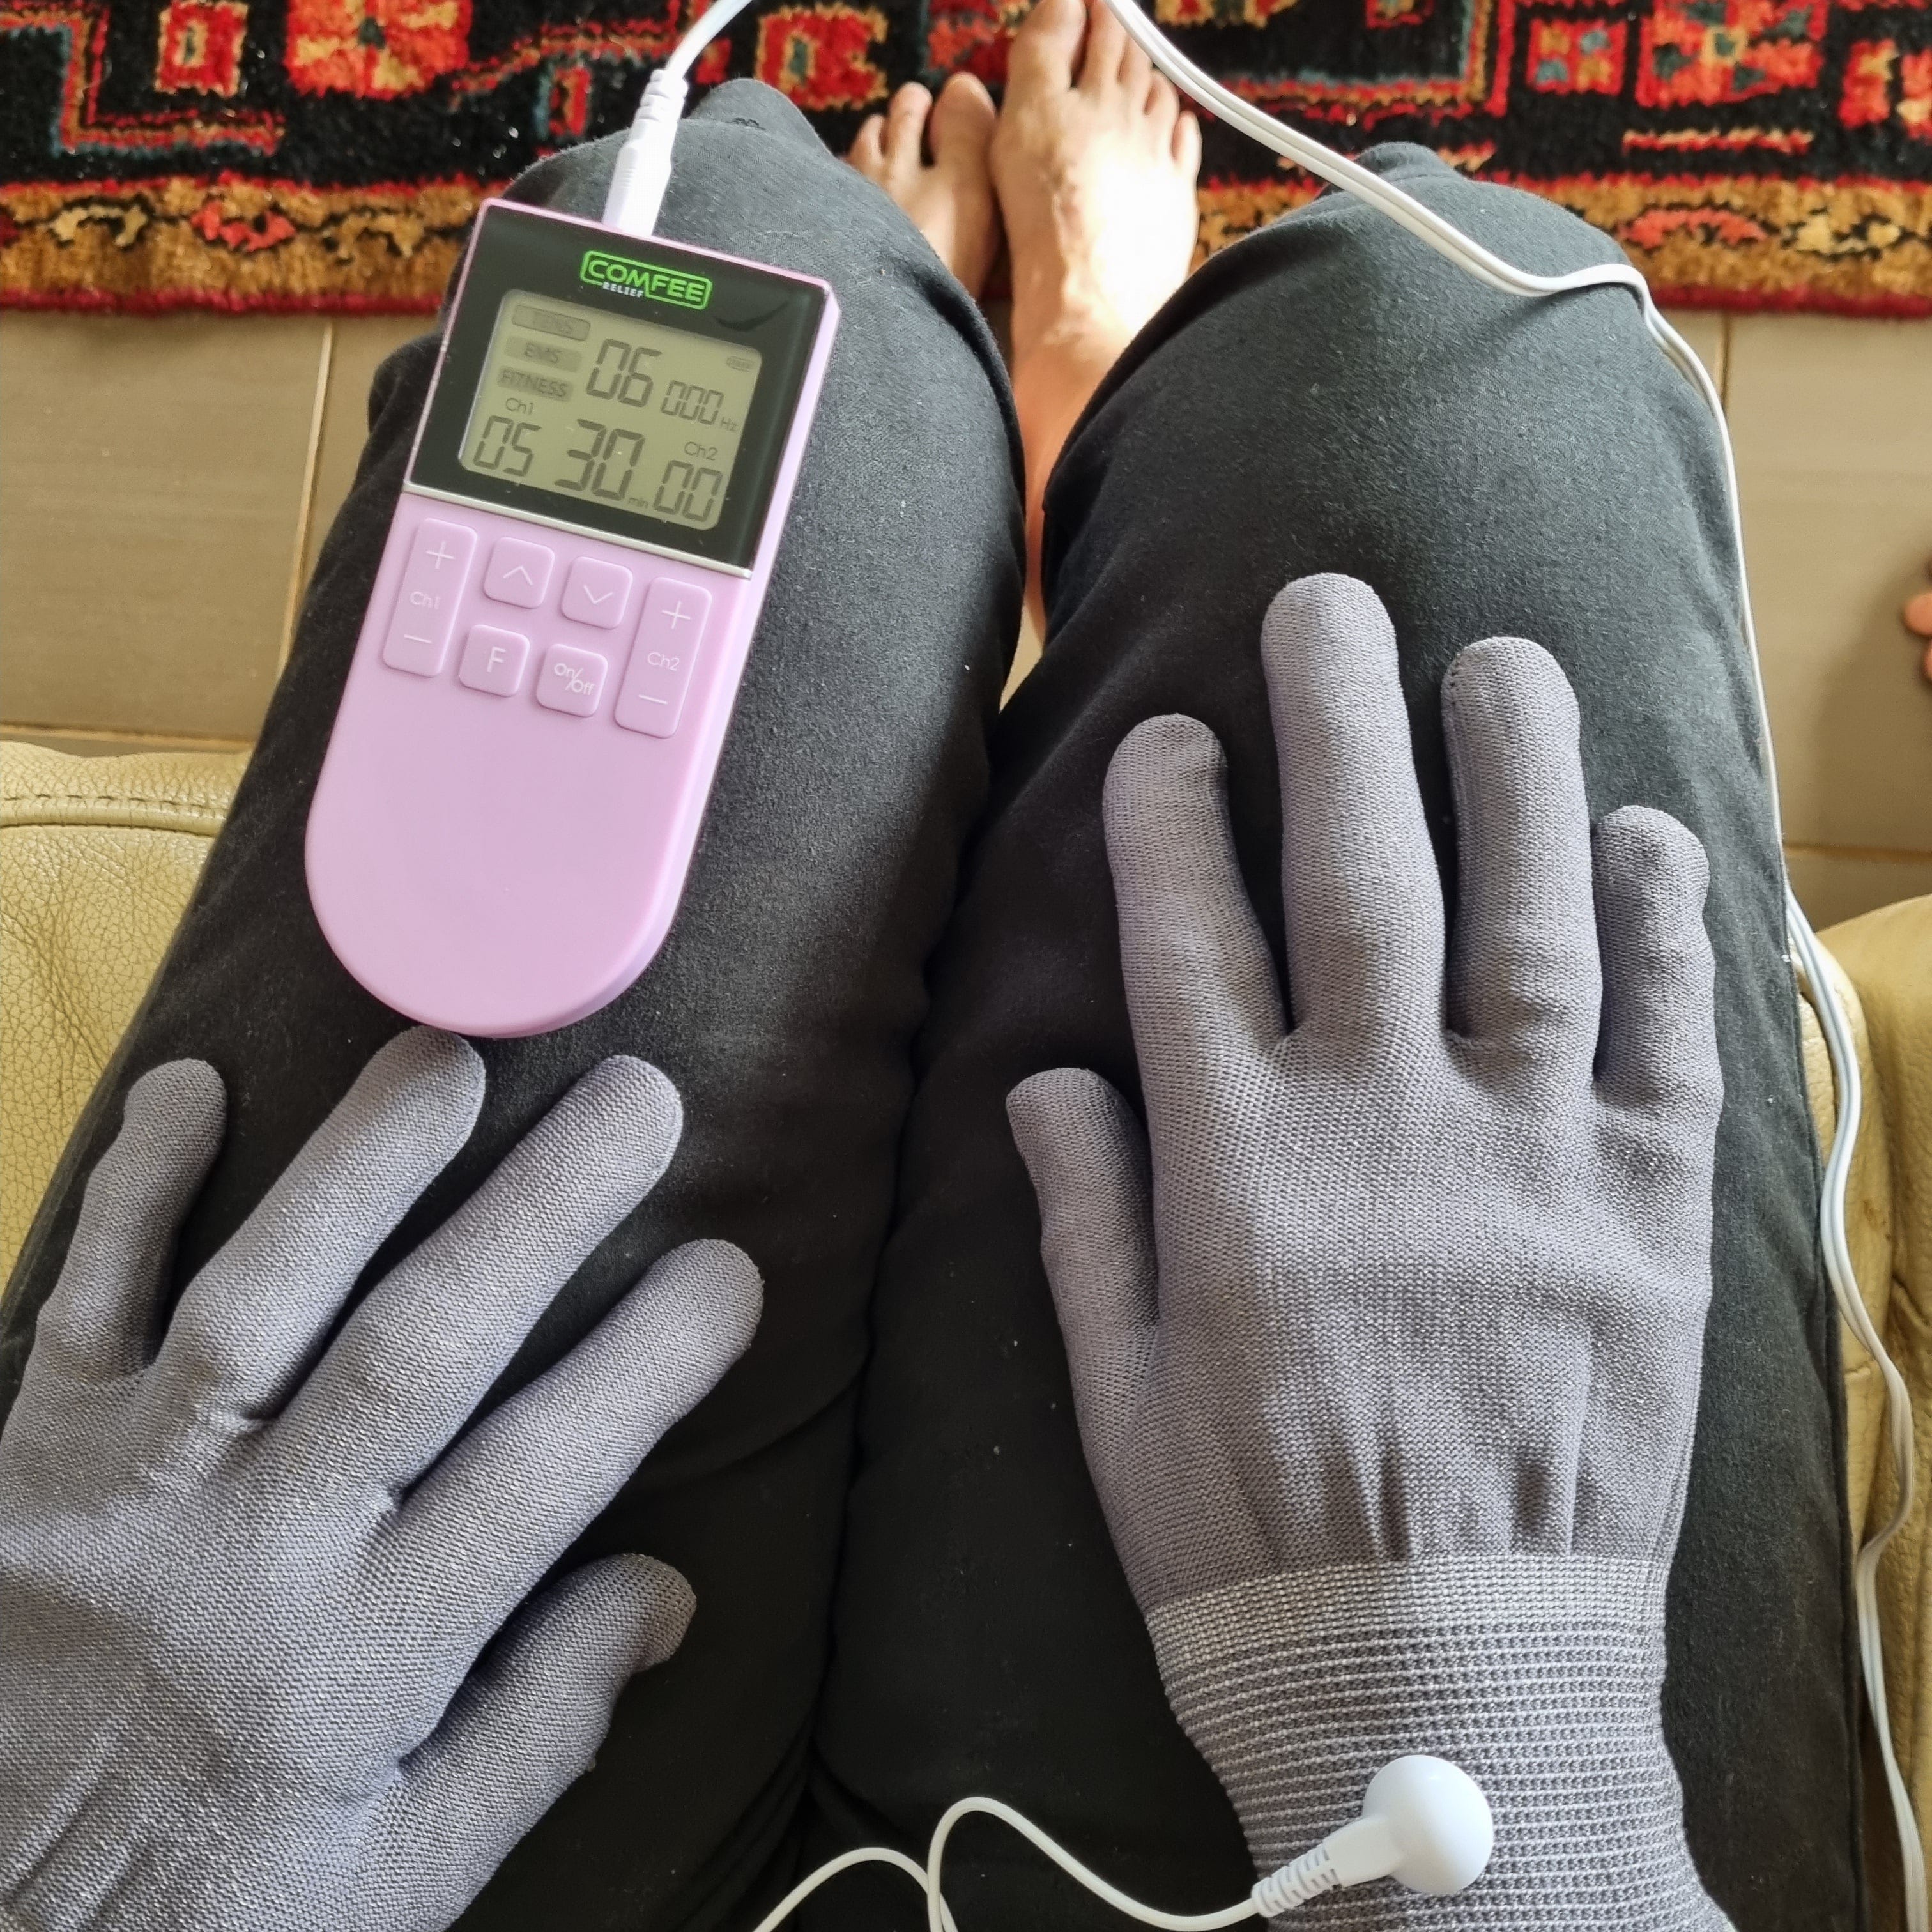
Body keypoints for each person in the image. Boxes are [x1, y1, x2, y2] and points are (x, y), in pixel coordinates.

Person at [0, 1, 1866, 1926]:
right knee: (1444, 356)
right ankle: (1093, 424)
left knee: (729, 255)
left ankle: (1013, 405)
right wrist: (1481, 1705)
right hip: (1462, 1809)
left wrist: (80, 1867)